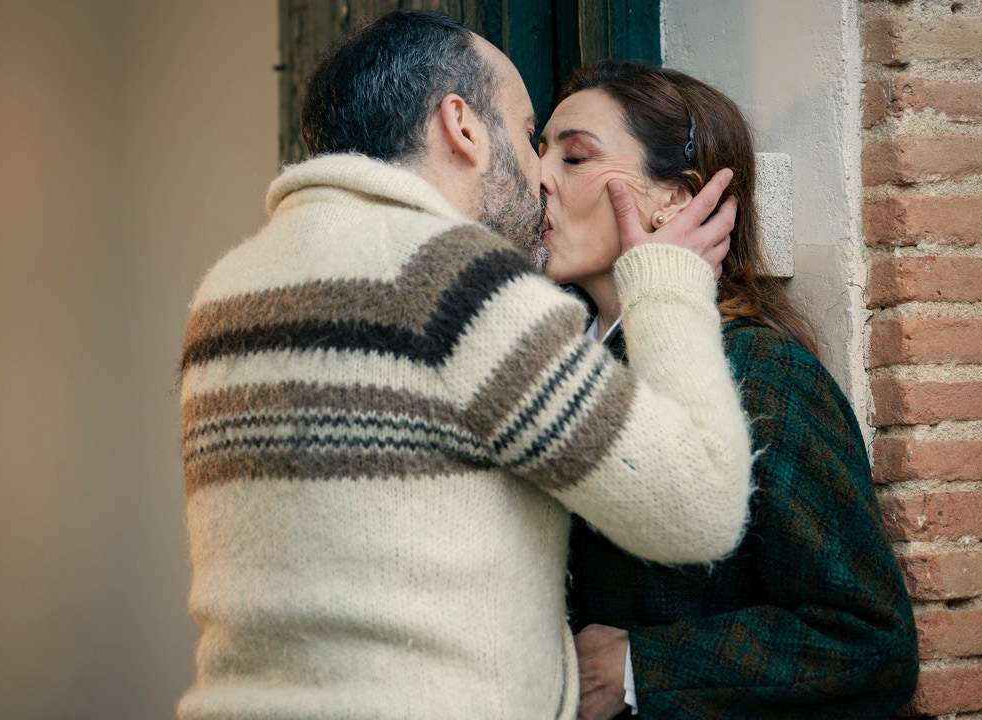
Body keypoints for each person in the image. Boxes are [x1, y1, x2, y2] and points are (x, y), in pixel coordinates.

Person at [177, 11, 756, 720]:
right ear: (463, 125)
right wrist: (667, 282)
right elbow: (696, 508)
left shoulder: (230, 288)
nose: (539, 174)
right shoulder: (456, 281)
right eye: (522, 129)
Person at [536, 60, 919, 720]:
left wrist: (639, 669)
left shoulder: (763, 372)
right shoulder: (546, 364)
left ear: (677, 200)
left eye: (573, 158)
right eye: (538, 151)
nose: (538, 177)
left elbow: (870, 643)